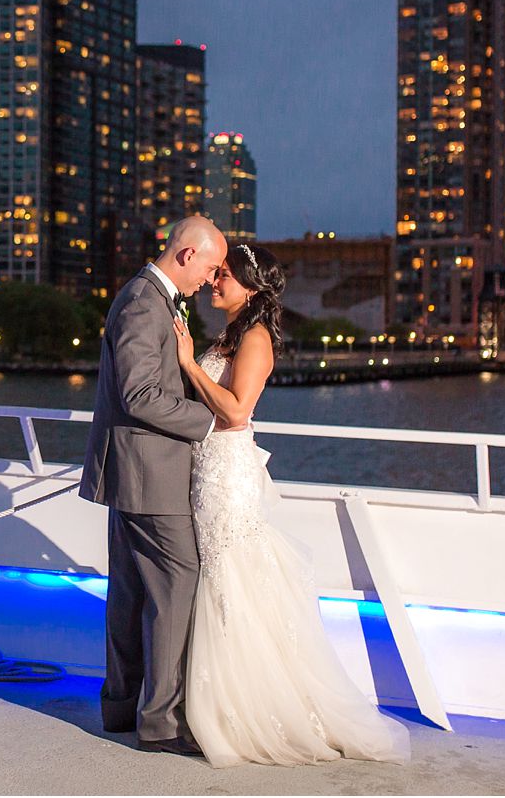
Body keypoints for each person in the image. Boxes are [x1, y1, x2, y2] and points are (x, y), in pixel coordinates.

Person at [172, 242, 411, 767]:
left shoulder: (254, 339)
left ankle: (241, 712)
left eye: (225, 276)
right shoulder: (230, 334)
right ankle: (217, 702)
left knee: (228, 579)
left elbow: (235, 414)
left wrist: (189, 365)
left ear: (251, 288)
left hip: (226, 474)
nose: (215, 282)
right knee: (217, 580)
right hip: (205, 468)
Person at [79, 215, 230, 756]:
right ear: (186, 255)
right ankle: (161, 722)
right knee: (175, 586)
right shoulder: (146, 302)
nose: (210, 281)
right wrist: (211, 423)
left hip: (134, 471)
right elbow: (140, 394)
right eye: (210, 267)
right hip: (149, 474)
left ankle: (121, 708)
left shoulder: (147, 297)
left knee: (131, 591)